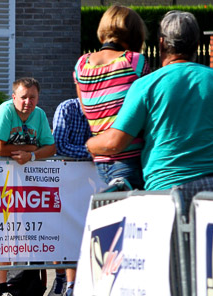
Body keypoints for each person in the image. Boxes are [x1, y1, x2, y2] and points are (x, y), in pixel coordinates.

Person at [86, 10, 213, 296]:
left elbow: (114, 142)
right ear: (199, 45)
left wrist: (89, 142)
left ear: (160, 44)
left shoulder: (148, 84)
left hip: (169, 194)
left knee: (166, 285)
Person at [0, 77, 55, 296]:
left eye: (32, 97)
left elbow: (51, 148)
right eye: (23, 97)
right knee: (2, 234)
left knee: (20, 235)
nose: (28, 102)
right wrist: (33, 148)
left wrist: (31, 155)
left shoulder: (40, 115)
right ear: (14, 97)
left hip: (25, 183)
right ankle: (2, 290)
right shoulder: (4, 111)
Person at [74, 4, 150, 190]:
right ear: (134, 33)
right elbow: (148, 109)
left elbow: (86, 109)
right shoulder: (134, 61)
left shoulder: (82, 65)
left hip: (101, 162)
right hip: (131, 160)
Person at [46, 98, 93, 296]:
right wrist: (93, 152)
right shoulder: (66, 108)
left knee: (80, 231)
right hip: (63, 179)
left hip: (89, 182)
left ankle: (74, 284)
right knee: (61, 230)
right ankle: (60, 280)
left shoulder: (103, 110)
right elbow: (60, 145)